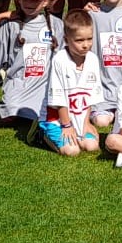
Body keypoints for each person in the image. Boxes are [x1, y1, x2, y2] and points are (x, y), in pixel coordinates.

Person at [0, 0, 58, 128]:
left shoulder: (56, 25)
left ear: (45, 1)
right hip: (18, 83)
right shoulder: (11, 25)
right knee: (10, 110)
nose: (29, 3)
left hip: (44, 85)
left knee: (46, 112)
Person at [41, 10, 101, 156]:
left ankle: (79, 131)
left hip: (80, 116)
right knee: (72, 151)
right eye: (79, 40)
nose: (85, 45)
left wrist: (86, 123)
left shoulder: (93, 59)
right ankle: (43, 134)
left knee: (91, 146)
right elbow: (58, 99)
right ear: (66, 40)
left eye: (89, 39)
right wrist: (66, 125)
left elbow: (90, 96)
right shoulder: (59, 60)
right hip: (58, 118)